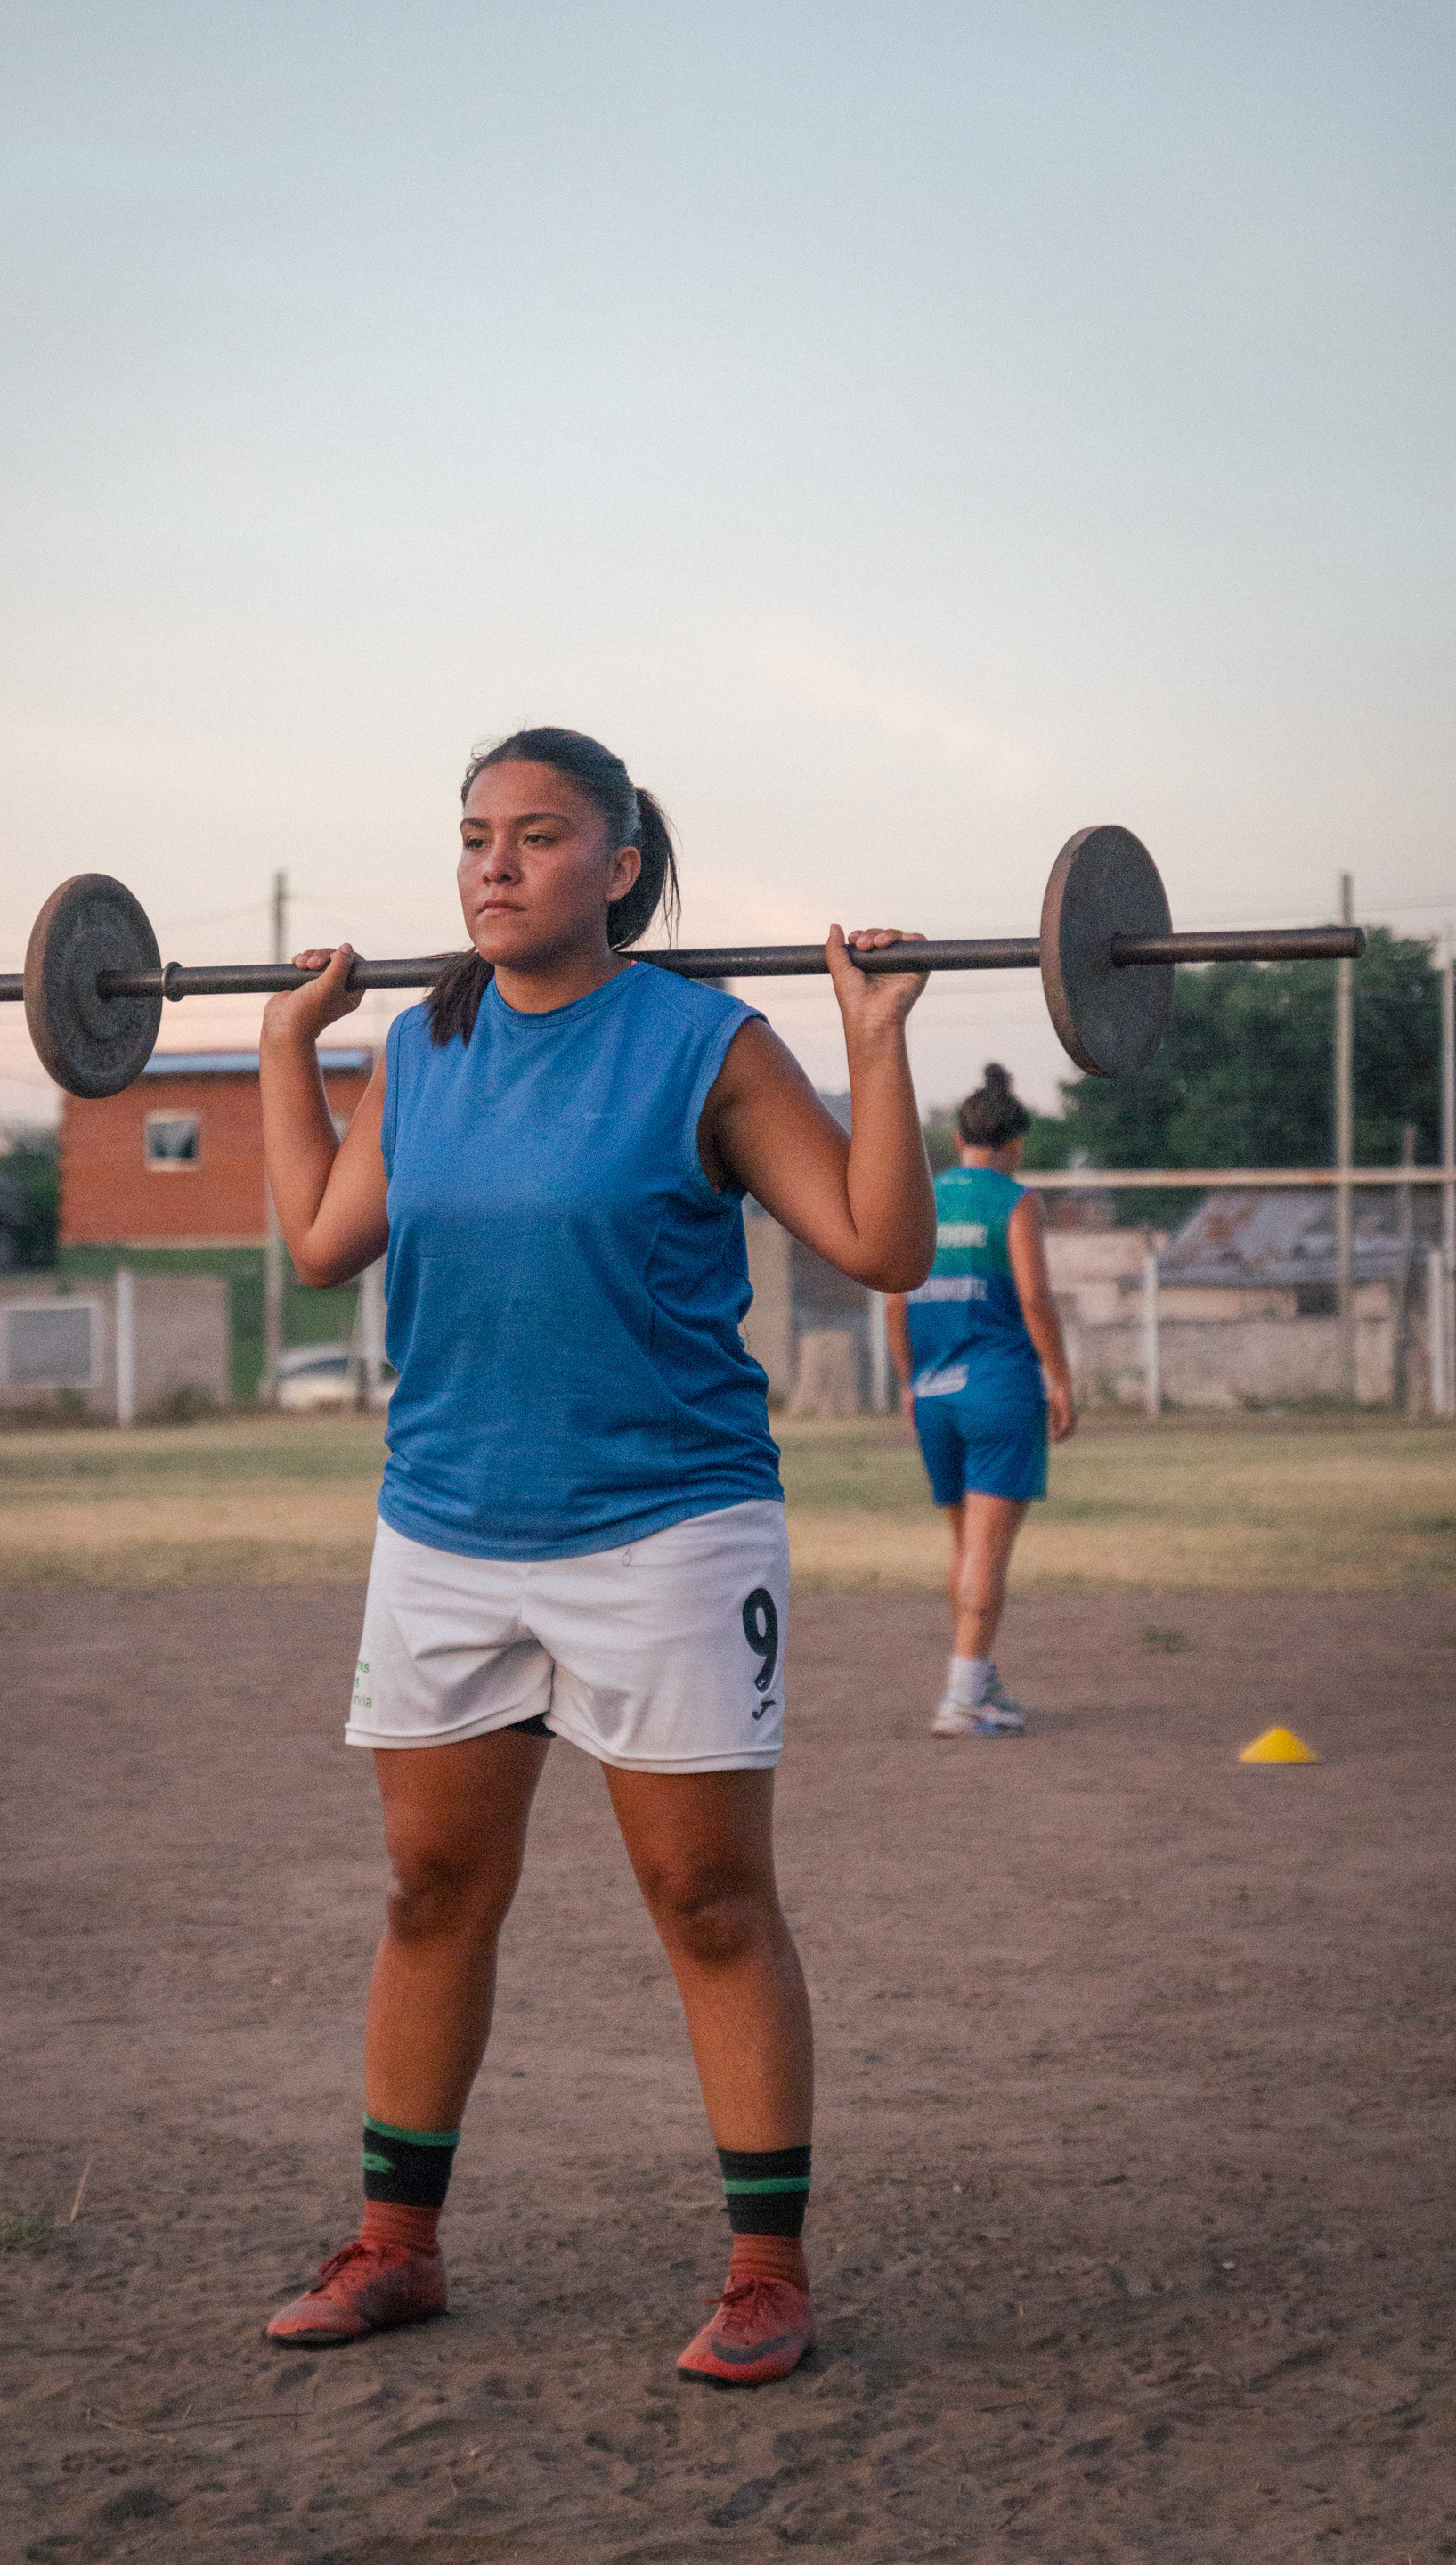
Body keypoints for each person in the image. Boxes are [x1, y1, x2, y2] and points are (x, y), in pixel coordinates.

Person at [256, 727, 934, 2385]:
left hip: (670, 1531)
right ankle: (394, 2248)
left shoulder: (709, 1044)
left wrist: (874, 1041)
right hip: (445, 1526)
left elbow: (880, 1245)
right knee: (431, 1891)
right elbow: (326, 1241)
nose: (495, 864)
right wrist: (289, 1047)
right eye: (476, 836)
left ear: (619, 867)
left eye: (539, 837)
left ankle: (766, 2271)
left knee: (707, 1898)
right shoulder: (424, 1045)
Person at [883, 1063, 1075, 1738]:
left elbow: (895, 1301)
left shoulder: (923, 1199)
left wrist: (909, 1381)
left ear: (961, 1135)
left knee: (966, 1549)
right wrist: (1060, 1377)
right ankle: (963, 1695)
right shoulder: (1016, 1201)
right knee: (989, 1554)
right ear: (1015, 1141)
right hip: (999, 1389)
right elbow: (1033, 1297)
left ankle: (979, 1675)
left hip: (933, 1394)